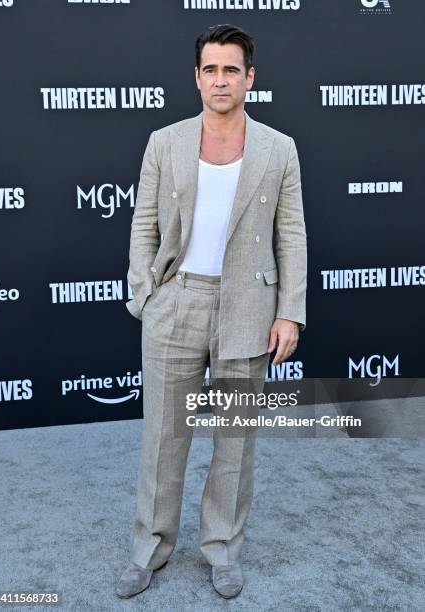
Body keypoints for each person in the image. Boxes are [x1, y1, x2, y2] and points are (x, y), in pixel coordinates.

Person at [117, 23, 307, 600]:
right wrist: (145, 296)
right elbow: (144, 224)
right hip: (177, 302)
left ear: (250, 77)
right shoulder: (164, 141)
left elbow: (291, 234)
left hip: (249, 306)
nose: (219, 79)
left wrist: (290, 312)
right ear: (196, 77)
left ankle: (222, 550)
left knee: (234, 442)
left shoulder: (279, 148)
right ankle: (149, 548)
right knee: (163, 438)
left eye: (231, 69)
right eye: (210, 69)